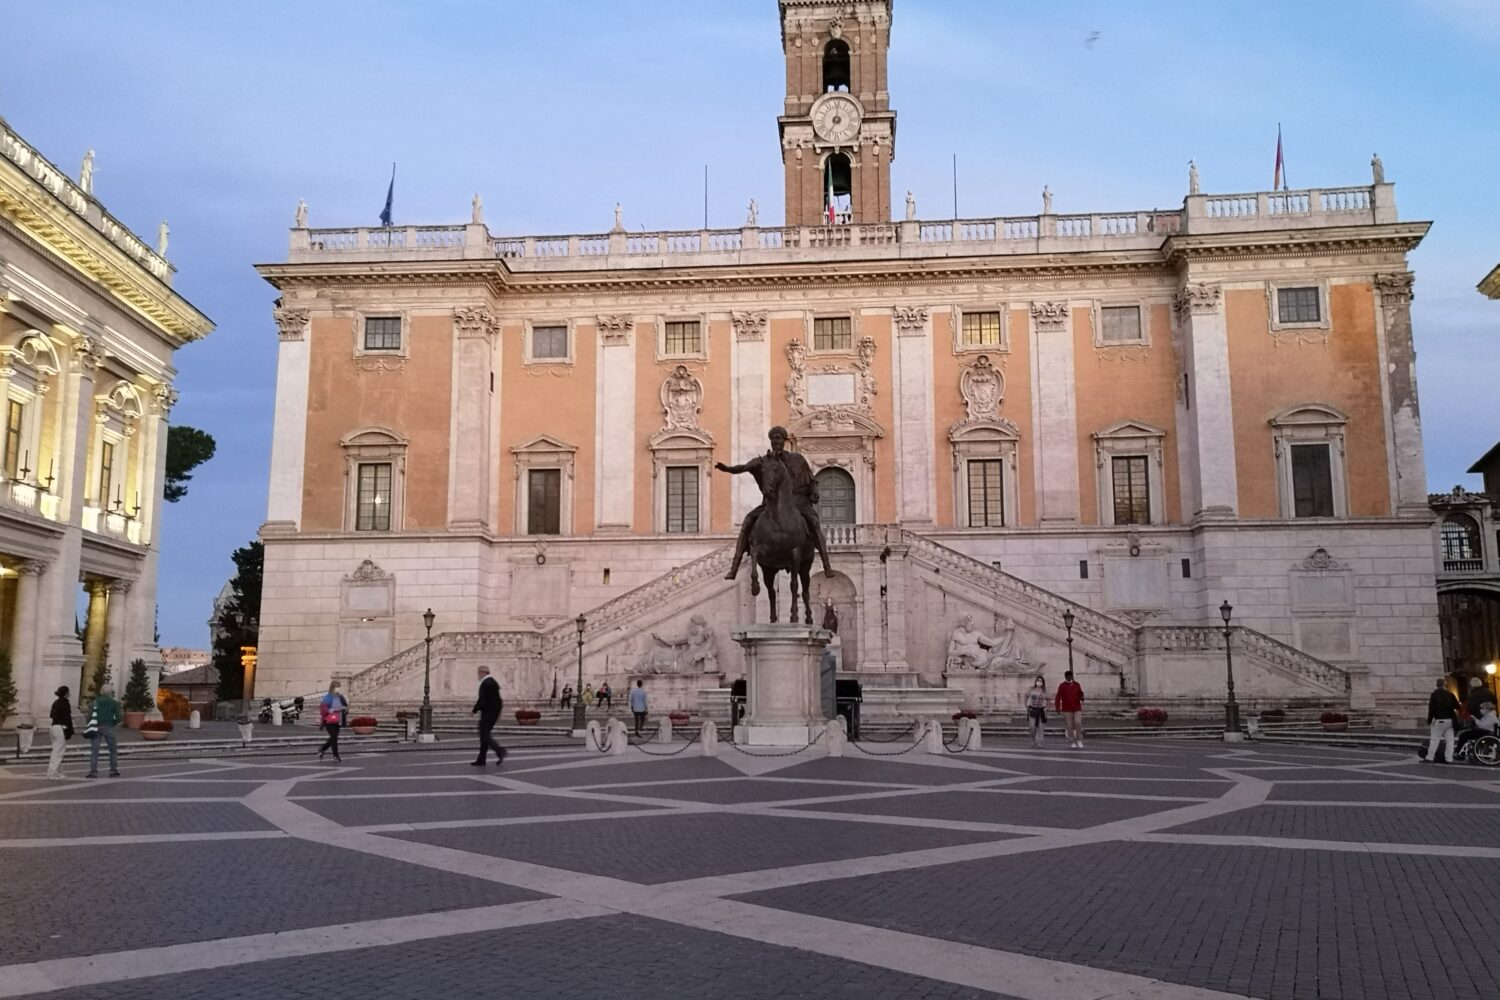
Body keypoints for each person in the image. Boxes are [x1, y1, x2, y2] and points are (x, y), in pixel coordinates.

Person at [717, 426, 833, 580]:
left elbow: (811, 479)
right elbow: (745, 467)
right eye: (773, 439)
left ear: (783, 441)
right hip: (771, 503)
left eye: (779, 438)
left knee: (813, 522)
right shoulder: (764, 461)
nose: (776, 441)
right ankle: (735, 566)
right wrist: (728, 469)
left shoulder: (797, 459)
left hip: (798, 501)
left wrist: (814, 491)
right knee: (748, 521)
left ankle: (826, 563)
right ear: (770, 441)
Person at [471, 665, 506, 767]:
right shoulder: (493, 682)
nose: (478, 675)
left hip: (488, 713)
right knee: (484, 736)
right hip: (493, 713)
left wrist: (474, 710)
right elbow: (499, 700)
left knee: (484, 735)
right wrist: (499, 712)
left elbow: (482, 699)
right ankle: (481, 759)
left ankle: (500, 750)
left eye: (479, 673)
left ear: (483, 673)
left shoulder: (486, 683)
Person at [86, 683, 121, 778]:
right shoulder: (114, 702)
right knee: (112, 750)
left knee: (94, 751)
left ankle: (93, 772)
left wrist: (90, 723)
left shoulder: (95, 702)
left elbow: (89, 715)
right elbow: (119, 717)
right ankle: (113, 770)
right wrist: (113, 723)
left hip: (96, 727)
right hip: (109, 726)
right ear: (110, 692)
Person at [1424, 677, 1459, 764]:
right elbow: (1458, 706)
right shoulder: (1450, 694)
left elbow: (1431, 709)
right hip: (1450, 720)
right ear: (1444, 685)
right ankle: (1449, 759)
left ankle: (1430, 757)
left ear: (1437, 685)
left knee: (1435, 740)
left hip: (1439, 720)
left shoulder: (1434, 694)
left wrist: (1429, 720)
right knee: (1450, 740)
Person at [47, 686, 73, 780]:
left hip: (54, 727)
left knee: (57, 750)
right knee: (58, 752)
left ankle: (57, 772)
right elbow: (67, 718)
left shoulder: (56, 702)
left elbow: (51, 715)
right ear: (66, 693)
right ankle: (52, 773)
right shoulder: (65, 703)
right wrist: (70, 730)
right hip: (61, 728)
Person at [318, 681, 346, 761]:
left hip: (338, 719)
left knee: (334, 738)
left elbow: (344, 706)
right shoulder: (328, 697)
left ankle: (322, 748)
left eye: (339, 687)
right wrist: (333, 710)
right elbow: (323, 709)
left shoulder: (340, 697)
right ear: (332, 688)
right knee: (334, 737)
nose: (338, 689)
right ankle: (335, 755)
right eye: (336, 687)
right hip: (328, 720)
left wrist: (345, 709)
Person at [1055, 670, 1084, 748]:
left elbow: (1080, 693)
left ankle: (1079, 740)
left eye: (1070, 676)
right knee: (1069, 726)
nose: (1069, 677)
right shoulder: (1062, 685)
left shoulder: (1077, 684)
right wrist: (1057, 708)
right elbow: (1058, 697)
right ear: (1065, 677)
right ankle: (1072, 741)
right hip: (1066, 709)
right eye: (1067, 676)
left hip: (1077, 707)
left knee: (1078, 723)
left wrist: (1082, 697)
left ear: (1072, 676)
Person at [1023, 675, 1048, 748]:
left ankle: (1039, 742)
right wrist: (1026, 705)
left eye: (1041, 681)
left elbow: (1049, 699)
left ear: (1043, 682)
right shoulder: (1031, 689)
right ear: (1036, 681)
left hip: (1041, 710)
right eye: (1038, 680)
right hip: (1032, 709)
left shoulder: (1044, 690)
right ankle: (1034, 740)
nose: (1039, 682)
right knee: (1032, 727)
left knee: (1040, 727)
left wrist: (1047, 707)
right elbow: (1026, 696)